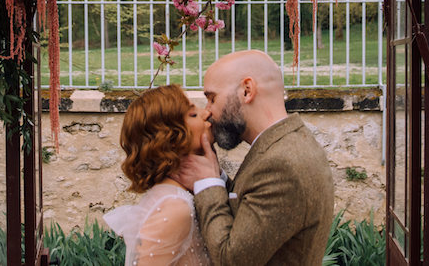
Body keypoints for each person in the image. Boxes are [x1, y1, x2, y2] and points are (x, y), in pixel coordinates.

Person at [171, 50, 334, 266]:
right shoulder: (285, 142)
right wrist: (215, 176)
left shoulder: (281, 164)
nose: (207, 111)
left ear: (247, 91)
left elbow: (231, 259)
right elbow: (248, 209)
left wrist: (207, 185)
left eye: (212, 98)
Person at [104, 84, 213, 265]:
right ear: (171, 139)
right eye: (193, 114)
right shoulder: (175, 207)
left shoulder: (179, 194)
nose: (206, 114)